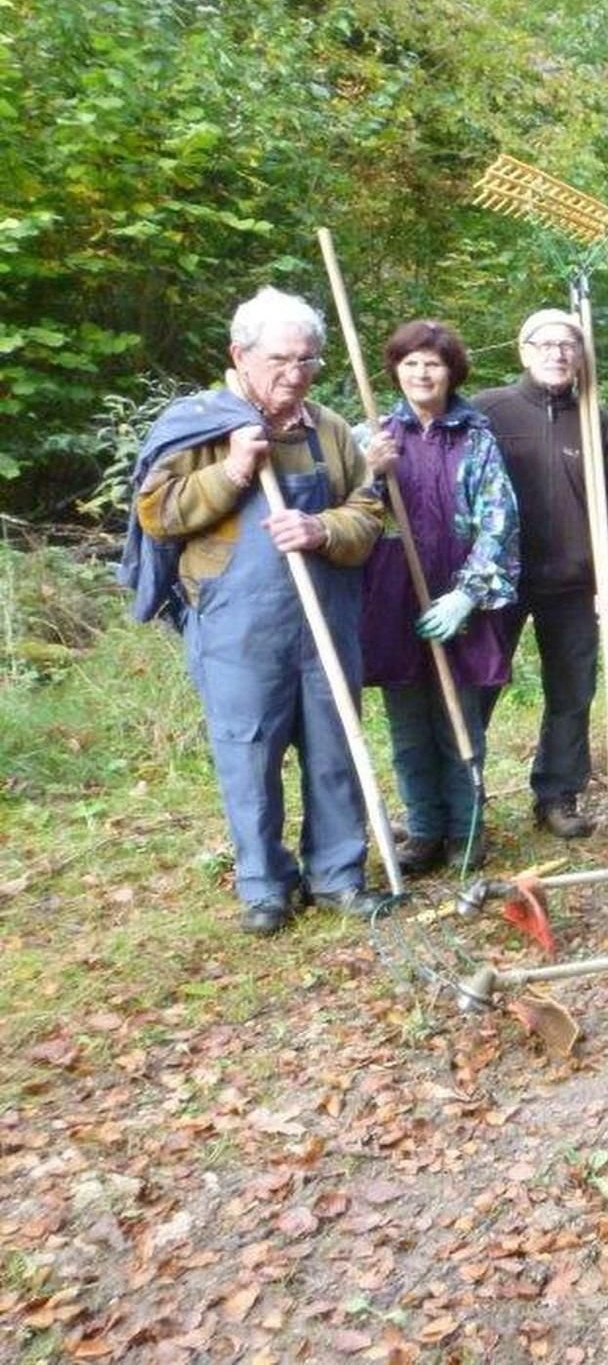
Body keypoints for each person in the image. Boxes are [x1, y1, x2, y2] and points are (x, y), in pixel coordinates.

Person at [127, 286, 390, 935]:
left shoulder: (328, 430)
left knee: (335, 749)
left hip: (324, 619)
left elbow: (369, 509)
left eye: (308, 361)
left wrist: (323, 530)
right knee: (249, 755)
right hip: (238, 628)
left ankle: (337, 875)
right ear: (239, 356)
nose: (295, 375)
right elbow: (156, 516)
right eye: (281, 360)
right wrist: (234, 472)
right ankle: (266, 887)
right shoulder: (202, 425)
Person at [358, 321, 521, 875]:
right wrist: (368, 476)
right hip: (394, 599)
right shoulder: (376, 438)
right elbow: (350, 518)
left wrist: (466, 596)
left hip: (459, 601)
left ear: (451, 372)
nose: (422, 373)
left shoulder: (475, 438)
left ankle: (466, 828)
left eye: (432, 363)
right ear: (395, 371)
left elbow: (500, 525)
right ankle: (424, 828)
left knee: (460, 722)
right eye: (410, 364)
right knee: (407, 724)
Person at [473, 309, 608, 839]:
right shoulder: (488, 412)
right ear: (524, 351)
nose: (557, 353)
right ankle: (462, 796)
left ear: (581, 355)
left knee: (571, 692)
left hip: (574, 581)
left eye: (568, 344)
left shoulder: (599, 421)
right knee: (479, 686)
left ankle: (557, 794)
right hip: (499, 580)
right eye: (545, 344)